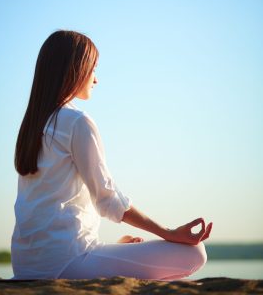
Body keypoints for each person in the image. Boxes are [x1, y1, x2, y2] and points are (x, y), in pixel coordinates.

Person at [11, 30, 212, 280]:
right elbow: (108, 200)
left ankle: (106, 257)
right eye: (93, 69)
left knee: (112, 248)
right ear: (75, 69)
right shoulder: (77, 122)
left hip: (25, 266)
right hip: (66, 262)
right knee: (196, 253)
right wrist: (169, 232)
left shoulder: (33, 126)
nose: (96, 79)